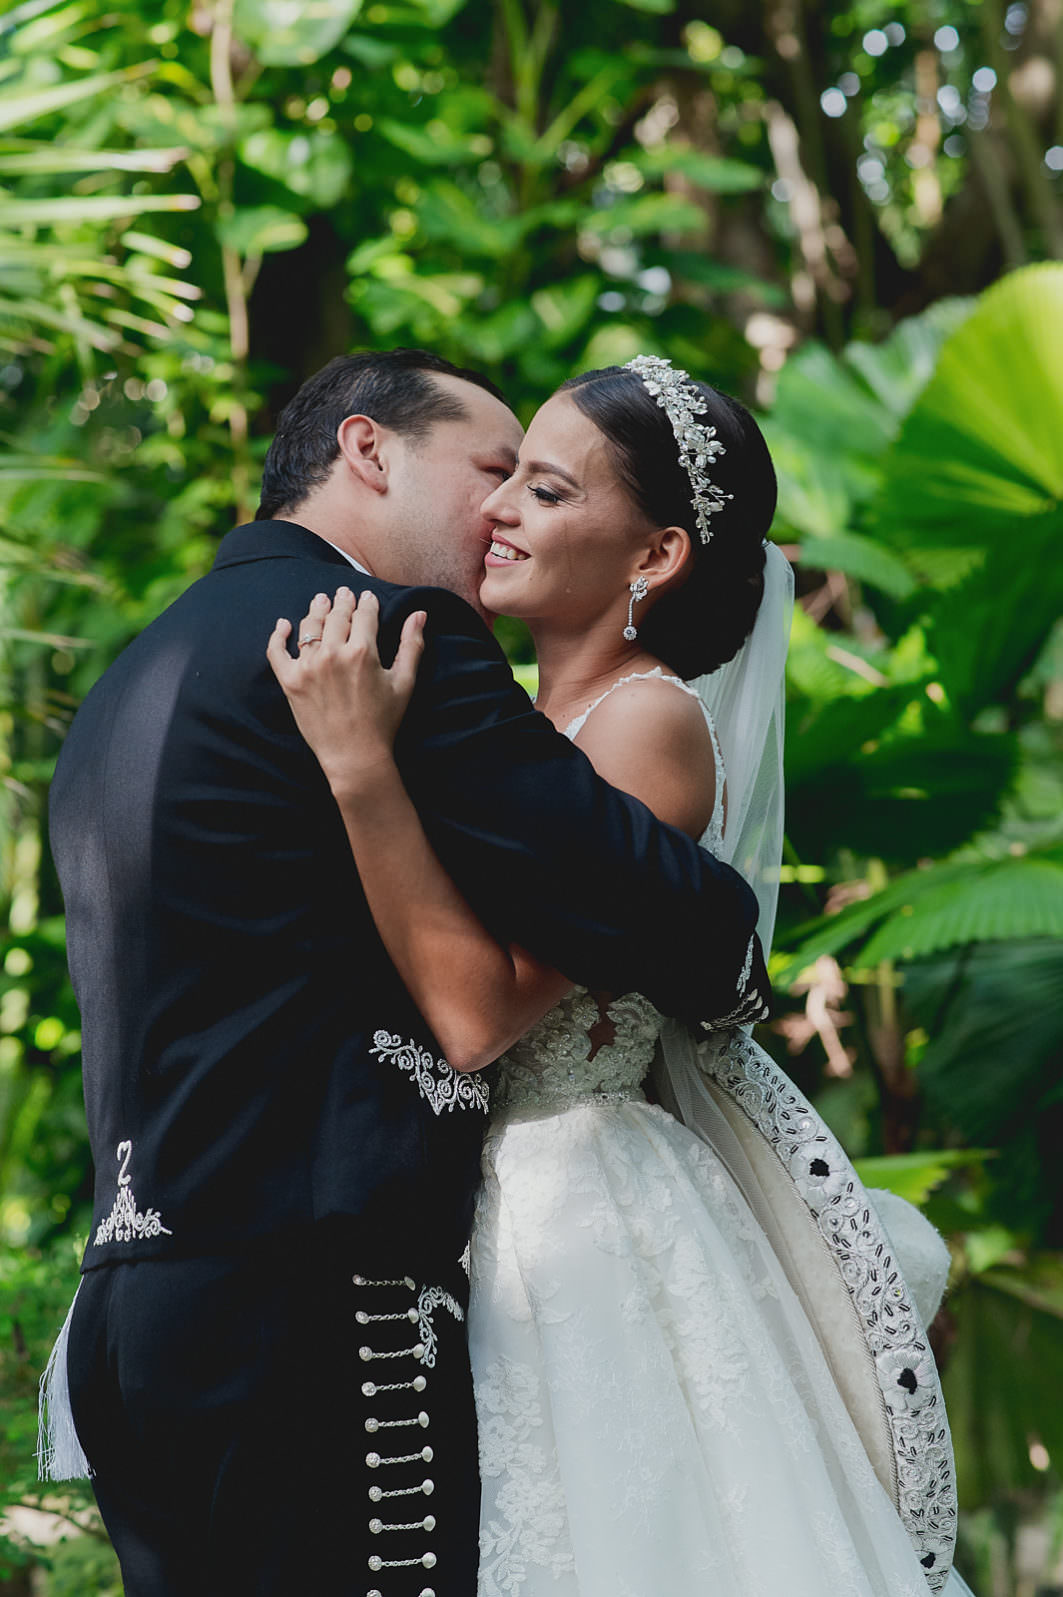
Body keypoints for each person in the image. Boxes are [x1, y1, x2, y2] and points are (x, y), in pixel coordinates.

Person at [40, 349, 772, 1597]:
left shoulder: (128, 685)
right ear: (371, 451)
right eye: (495, 471)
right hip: (317, 1307)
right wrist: (736, 956)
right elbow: (670, 911)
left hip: (128, 1315)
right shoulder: (380, 640)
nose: (499, 511)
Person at [269, 356, 974, 1596]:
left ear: (651, 557)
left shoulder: (648, 726)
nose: (495, 513)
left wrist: (359, 769)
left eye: (542, 492)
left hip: (577, 1211)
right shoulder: (518, 722)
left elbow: (482, 1014)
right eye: (505, 483)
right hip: (471, 1197)